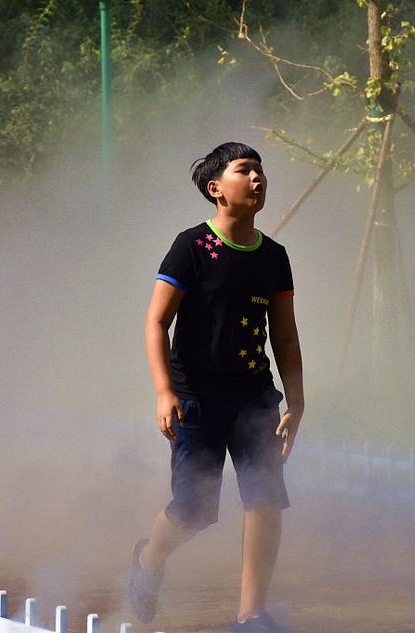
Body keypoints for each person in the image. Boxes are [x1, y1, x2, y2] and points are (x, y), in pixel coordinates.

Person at [128, 142, 305, 633]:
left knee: (265, 499)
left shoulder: (274, 257)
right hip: (195, 400)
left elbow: (285, 335)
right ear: (216, 189)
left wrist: (298, 401)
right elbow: (156, 320)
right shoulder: (191, 246)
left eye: (260, 171)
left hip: (255, 399)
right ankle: (150, 558)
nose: (257, 178)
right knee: (194, 511)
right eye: (244, 170)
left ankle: (251, 615)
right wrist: (164, 391)